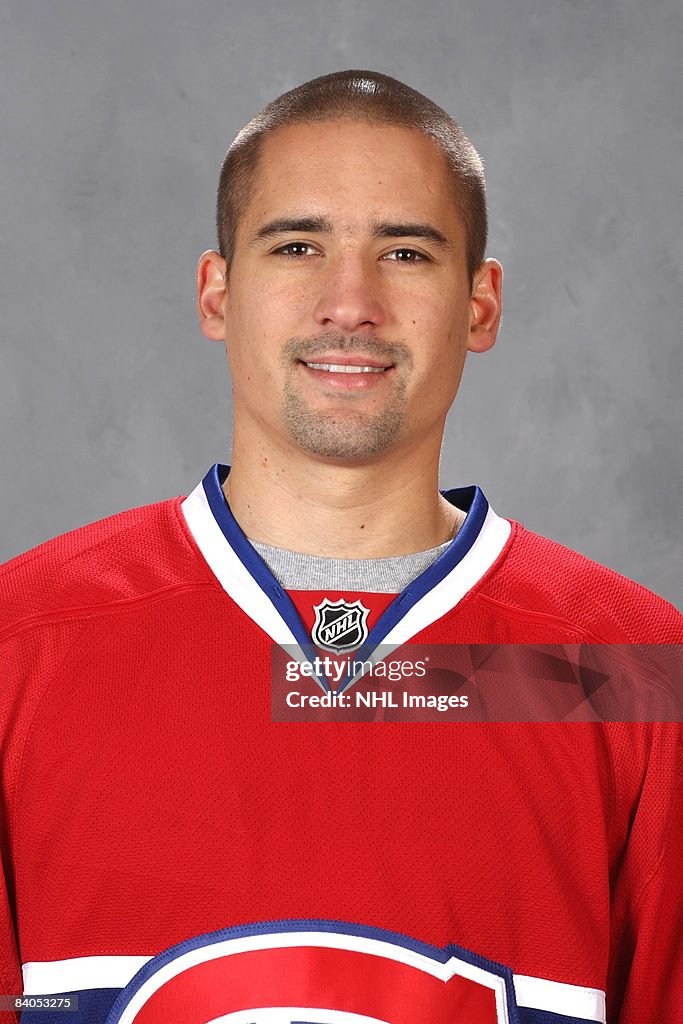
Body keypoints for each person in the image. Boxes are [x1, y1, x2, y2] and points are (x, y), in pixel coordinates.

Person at [1, 69, 681, 1024]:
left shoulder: (621, 670)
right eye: (296, 245)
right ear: (216, 293)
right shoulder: (19, 647)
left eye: (405, 252)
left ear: (480, 304)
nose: (349, 301)